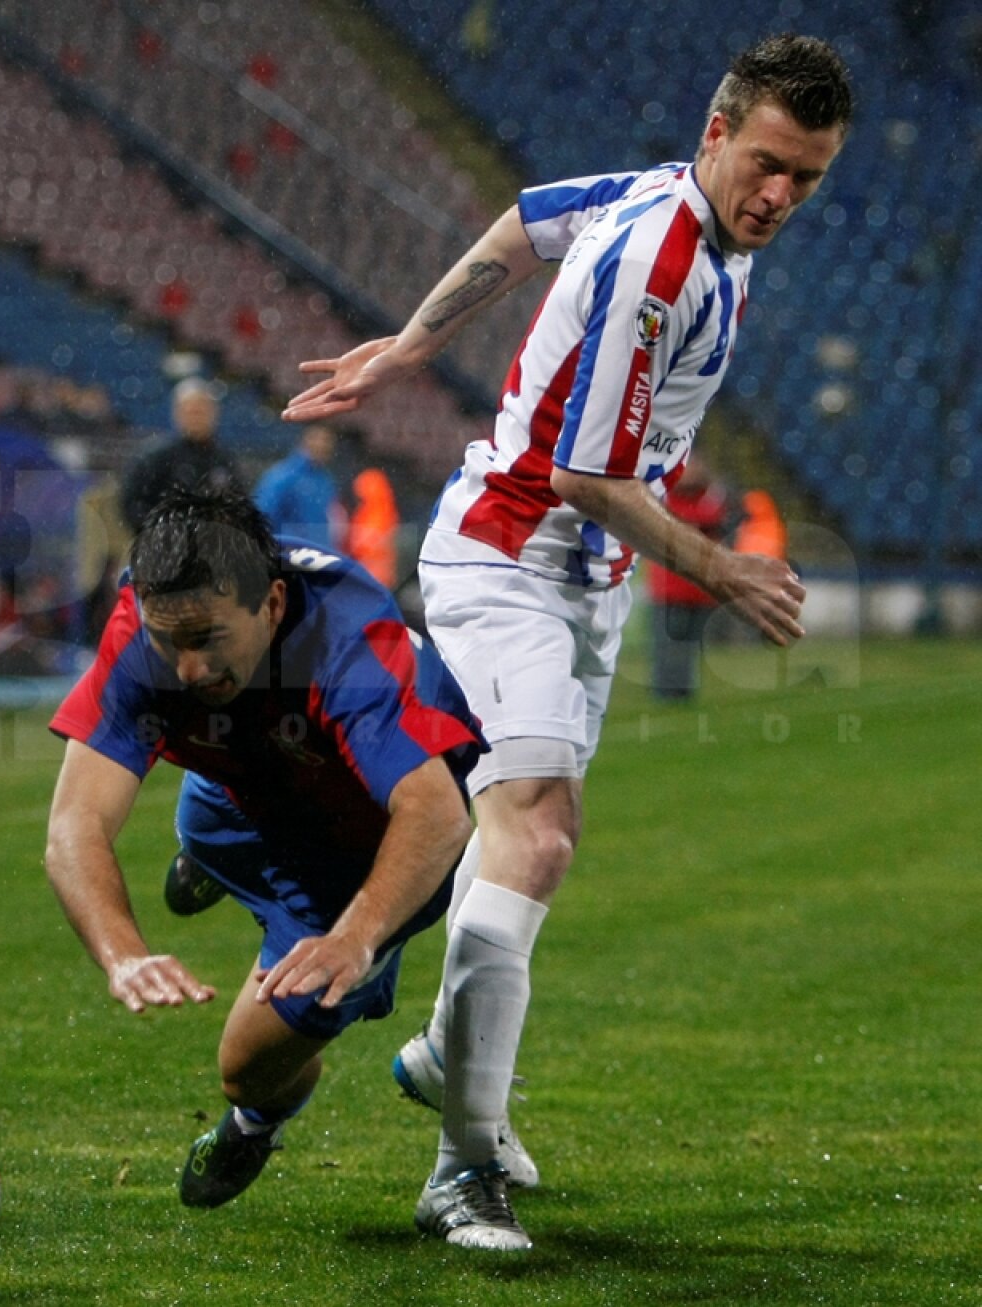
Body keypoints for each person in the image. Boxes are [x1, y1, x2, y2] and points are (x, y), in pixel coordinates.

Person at [283, 34, 853, 1250]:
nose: (779, 197)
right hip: (510, 559)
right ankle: (460, 1168)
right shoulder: (664, 257)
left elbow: (525, 220)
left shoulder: (666, 194)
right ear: (718, 131)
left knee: (537, 835)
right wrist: (721, 566)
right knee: (532, 830)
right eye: (765, 165)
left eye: (806, 179)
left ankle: (451, 1057)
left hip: (585, 580)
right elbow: (589, 473)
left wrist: (409, 345)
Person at [44, 487, 484, 1214]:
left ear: (274, 604)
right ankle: (215, 857)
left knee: (245, 1070)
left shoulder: (346, 645)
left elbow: (436, 817)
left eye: (207, 640)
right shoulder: (147, 626)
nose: (184, 668)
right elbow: (73, 829)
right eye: (168, 642)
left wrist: (355, 935)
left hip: (356, 847)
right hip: (238, 793)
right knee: (209, 806)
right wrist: (123, 952)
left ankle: (253, 1124)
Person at [645, 453, 730, 699]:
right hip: (669, 586)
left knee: (690, 643)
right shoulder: (664, 495)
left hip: (698, 587)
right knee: (667, 641)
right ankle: (664, 688)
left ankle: (683, 687)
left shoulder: (711, 497)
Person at [119, 378, 244, 533]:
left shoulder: (224, 460)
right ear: (177, 413)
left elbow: (239, 505)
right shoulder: (156, 458)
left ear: (214, 413)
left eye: (202, 411)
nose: (197, 417)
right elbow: (133, 505)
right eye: (191, 411)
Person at [253, 423, 341, 549]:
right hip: (289, 558)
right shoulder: (282, 476)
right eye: (316, 437)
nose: (322, 444)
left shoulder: (326, 480)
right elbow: (262, 518)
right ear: (304, 439)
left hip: (318, 558)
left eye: (327, 440)